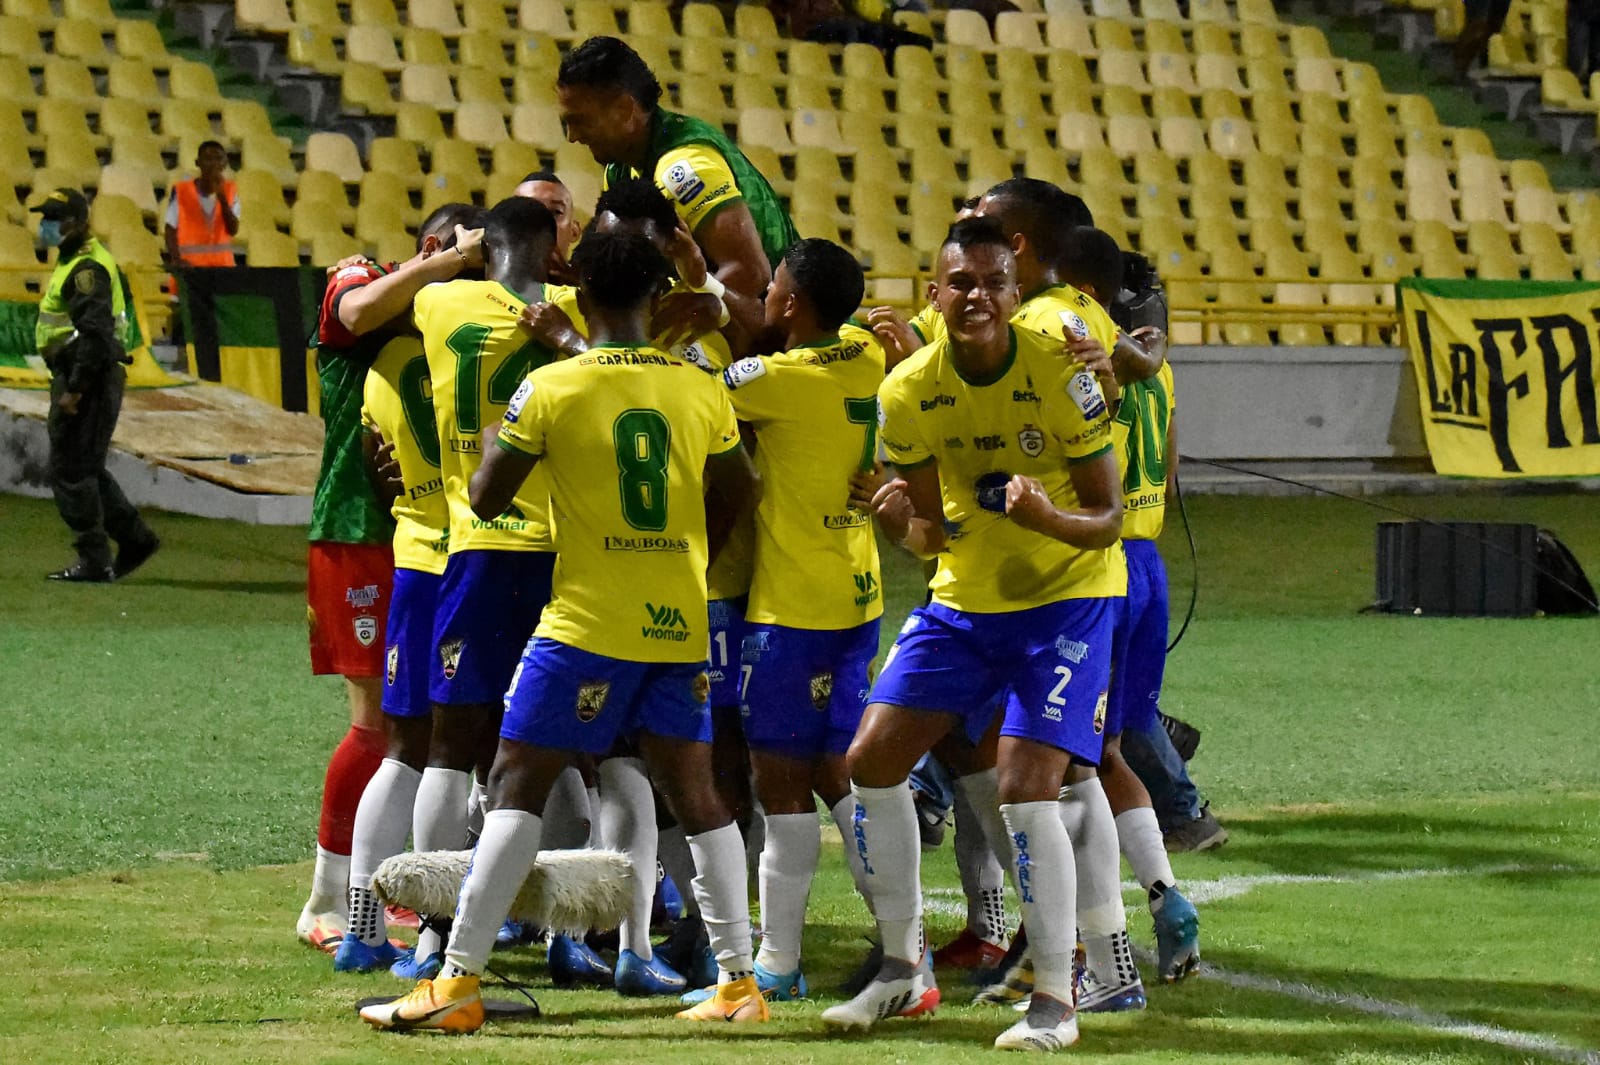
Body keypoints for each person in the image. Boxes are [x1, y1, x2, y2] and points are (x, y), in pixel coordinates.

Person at [361, 229, 765, 1033]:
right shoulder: (699, 388)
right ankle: (738, 981)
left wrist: (502, 450)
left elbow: (485, 494)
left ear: (579, 296)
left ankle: (456, 978)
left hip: (585, 619)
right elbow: (740, 489)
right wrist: (687, 556)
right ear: (658, 298)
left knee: (515, 779)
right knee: (695, 791)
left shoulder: (551, 385)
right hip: (674, 617)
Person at [825, 218, 1124, 1052]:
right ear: (935, 293)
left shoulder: (1061, 372)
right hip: (965, 602)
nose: (977, 297)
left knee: (1027, 786)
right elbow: (936, 533)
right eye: (961, 282)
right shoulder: (906, 391)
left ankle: (1057, 997)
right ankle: (904, 967)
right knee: (869, 760)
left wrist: (1044, 516)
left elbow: (1107, 518)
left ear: (1015, 294)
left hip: (1068, 599)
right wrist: (900, 527)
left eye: (994, 283)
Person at [408, 197, 610, 982]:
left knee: (449, 747)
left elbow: (383, 296)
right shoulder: (573, 311)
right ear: (553, 247)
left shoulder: (439, 302)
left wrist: (457, 252)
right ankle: (565, 934)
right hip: (563, 554)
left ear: (484, 244)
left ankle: (432, 932)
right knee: (561, 752)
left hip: (478, 548)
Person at [296, 197, 485, 955]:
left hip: (430, 542)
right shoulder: (361, 275)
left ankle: (395, 892)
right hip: (358, 535)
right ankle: (327, 901)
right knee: (376, 725)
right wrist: (446, 265)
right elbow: (356, 307)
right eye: (460, 266)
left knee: (421, 725)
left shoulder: (451, 331)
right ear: (434, 251)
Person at [702, 239, 886, 1002]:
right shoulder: (866, 354)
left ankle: (777, 962)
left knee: (777, 783)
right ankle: (904, 943)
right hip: (858, 594)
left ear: (793, 303)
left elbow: (694, 393)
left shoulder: (774, 381)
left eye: (774, 287)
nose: (767, 296)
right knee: (836, 772)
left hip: (792, 606)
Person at [555, 36, 798, 337]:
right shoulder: (620, 168)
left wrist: (647, 330)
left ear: (625, 110)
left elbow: (751, 273)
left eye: (580, 121)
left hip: (774, 339)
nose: (572, 136)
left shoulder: (682, 168)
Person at [31, 187, 159, 583]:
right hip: (87, 373)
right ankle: (134, 540)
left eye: (52, 218)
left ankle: (95, 559)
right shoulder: (77, 260)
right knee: (84, 466)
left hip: (89, 374)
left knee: (70, 470)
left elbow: (95, 333)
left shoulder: (87, 269)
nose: (44, 225)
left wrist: (76, 389)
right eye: (44, 217)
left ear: (74, 223)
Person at [164, 141, 239, 269]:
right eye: (208, 159)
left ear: (225, 163)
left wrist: (222, 198)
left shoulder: (230, 190)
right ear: (198, 163)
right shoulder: (181, 191)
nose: (214, 164)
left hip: (223, 269)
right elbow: (170, 230)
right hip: (191, 268)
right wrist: (177, 259)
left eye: (219, 159)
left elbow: (233, 230)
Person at [512, 170, 582, 282]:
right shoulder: (486, 288)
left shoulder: (591, 290)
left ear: (574, 231)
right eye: (526, 212)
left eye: (555, 212)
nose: (540, 222)